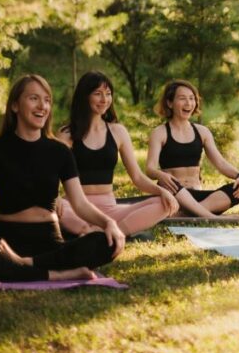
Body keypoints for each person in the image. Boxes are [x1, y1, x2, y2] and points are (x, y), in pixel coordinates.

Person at [0, 74, 125, 281]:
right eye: (34, 98)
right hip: (8, 237)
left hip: (50, 239)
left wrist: (108, 222)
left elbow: (80, 203)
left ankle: (24, 265)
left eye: (47, 100)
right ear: (15, 106)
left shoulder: (60, 151)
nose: (42, 106)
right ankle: (58, 273)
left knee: (105, 241)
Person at [56, 72, 178, 237]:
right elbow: (52, 174)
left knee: (163, 203)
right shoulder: (66, 134)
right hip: (75, 206)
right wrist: (55, 197)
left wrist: (162, 191)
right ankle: (98, 233)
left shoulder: (118, 131)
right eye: (97, 94)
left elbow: (137, 177)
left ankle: (108, 233)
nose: (104, 99)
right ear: (84, 96)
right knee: (53, 208)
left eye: (108, 94)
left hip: (110, 210)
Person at [145, 80, 239, 219]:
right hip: (174, 195)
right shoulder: (160, 133)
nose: (188, 103)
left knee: (236, 191)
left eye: (192, 98)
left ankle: (184, 215)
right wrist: (161, 175)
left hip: (197, 196)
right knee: (168, 184)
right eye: (182, 98)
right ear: (169, 103)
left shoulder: (202, 132)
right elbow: (150, 169)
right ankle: (211, 217)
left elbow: (220, 163)